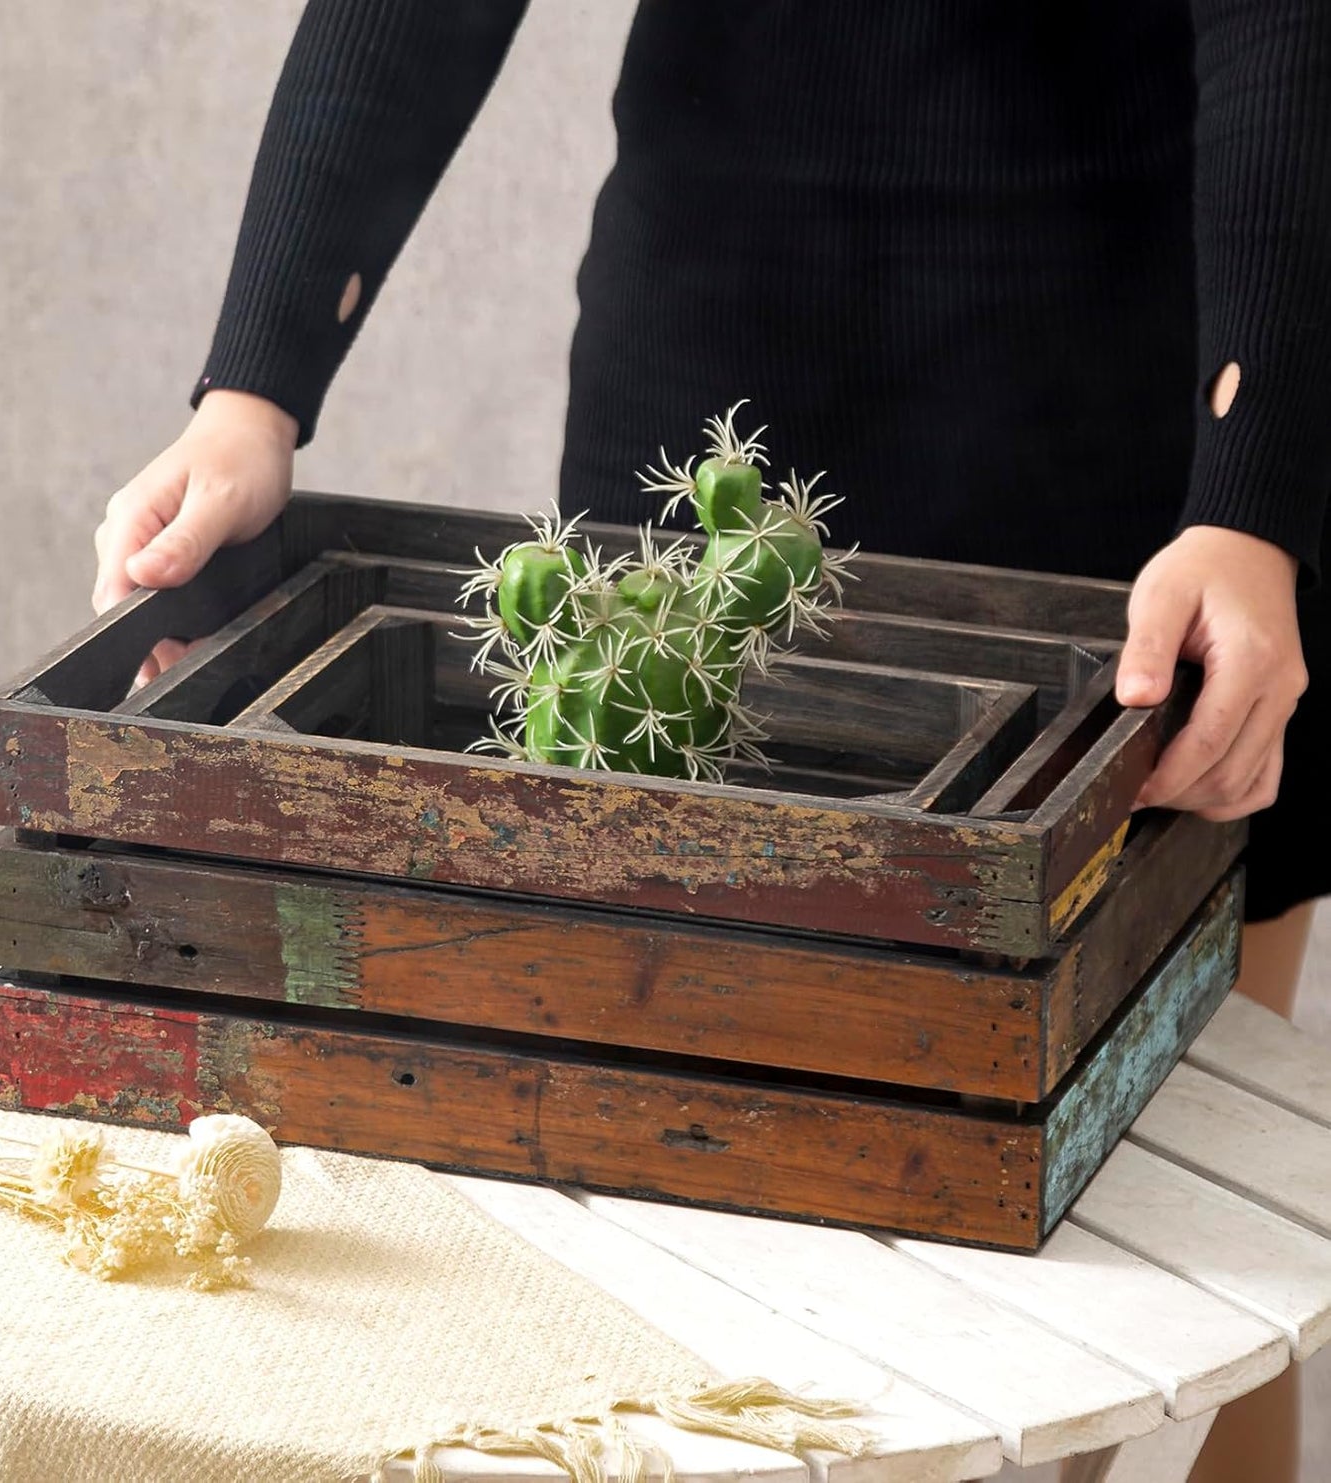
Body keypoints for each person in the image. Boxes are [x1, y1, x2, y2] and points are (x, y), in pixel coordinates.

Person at [92, 6, 1328, 1478]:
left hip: (1173, 379)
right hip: (716, 343)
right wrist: (253, 390)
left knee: (1184, 1236)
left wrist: (1249, 499)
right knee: (668, 1152)